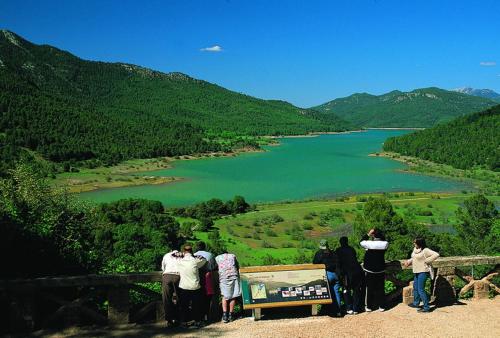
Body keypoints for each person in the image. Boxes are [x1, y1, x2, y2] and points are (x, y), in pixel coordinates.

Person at [404, 237, 440, 313]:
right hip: (416, 271)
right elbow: (414, 258)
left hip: (423, 271)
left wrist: (427, 260)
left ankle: (426, 307)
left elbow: (436, 254)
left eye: (415, 242)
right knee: (415, 287)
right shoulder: (415, 250)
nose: (413, 243)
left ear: (419, 243)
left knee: (421, 289)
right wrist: (408, 261)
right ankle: (416, 303)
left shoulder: (425, 250)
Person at [177, 244, 207, 328]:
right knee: (196, 305)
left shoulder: (180, 261)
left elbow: (174, 257)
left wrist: (180, 255)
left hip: (183, 286)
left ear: (184, 251)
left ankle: (184, 322)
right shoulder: (195, 261)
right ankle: (197, 321)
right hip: (195, 286)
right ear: (191, 251)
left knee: (184, 305)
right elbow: (204, 260)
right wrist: (195, 256)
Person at [360, 228, 388, 312]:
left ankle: (369, 306)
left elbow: (361, 242)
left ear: (373, 235)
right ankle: (382, 306)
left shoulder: (369, 244)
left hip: (369, 270)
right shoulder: (385, 244)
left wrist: (368, 234)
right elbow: (383, 241)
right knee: (381, 288)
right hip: (380, 270)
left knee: (369, 288)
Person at [336, 236, 364, 315]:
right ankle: (356, 309)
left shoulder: (338, 251)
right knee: (356, 290)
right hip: (357, 271)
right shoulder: (352, 249)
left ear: (340, 243)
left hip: (347, 273)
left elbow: (338, 263)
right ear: (347, 242)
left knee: (346, 290)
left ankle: (349, 308)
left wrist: (339, 274)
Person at [313, 239, 342, 316]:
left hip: (327, 274)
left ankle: (327, 311)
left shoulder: (319, 253)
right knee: (336, 293)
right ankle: (338, 311)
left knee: (326, 293)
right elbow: (338, 263)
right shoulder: (333, 252)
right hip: (336, 274)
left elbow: (315, 264)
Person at [194, 241, 218, 322]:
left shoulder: (193, 255)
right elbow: (213, 266)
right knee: (208, 297)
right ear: (205, 247)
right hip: (207, 277)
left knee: (198, 298)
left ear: (197, 247)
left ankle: (199, 316)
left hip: (196, 278)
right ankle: (208, 316)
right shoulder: (210, 255)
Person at [215, 251, 241, 323]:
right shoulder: (232, 256)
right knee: (233, 296)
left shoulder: (218, 258)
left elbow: (216, 268)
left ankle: (224, 315)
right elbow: (237, 266)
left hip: (224, 278)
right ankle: (231, 315)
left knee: (224, 296)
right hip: (234, 276)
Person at [161, 249, 183, 327]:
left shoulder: (166, 255)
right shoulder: (181, 255)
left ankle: (169, 320)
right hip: (178, 276)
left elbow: (163, 268)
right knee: (179, 297)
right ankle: (178, 318)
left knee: (166, 298)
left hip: (167, 276)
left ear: (171, 250)